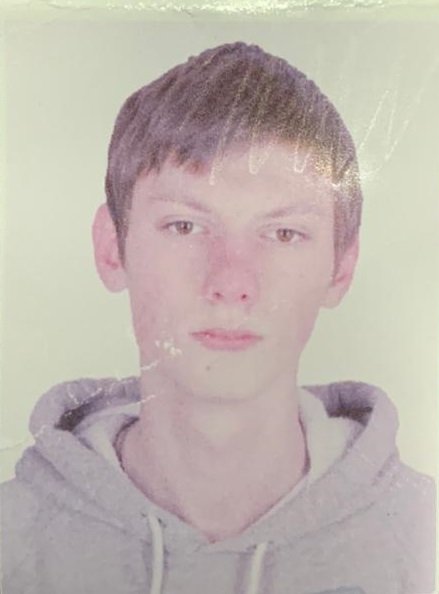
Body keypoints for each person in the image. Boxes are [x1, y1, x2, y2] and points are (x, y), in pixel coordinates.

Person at [1, 42, 435, 594]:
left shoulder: (427, 544)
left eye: (283, 233)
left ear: (340, 268)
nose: (231, 282)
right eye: (185, 226)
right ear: (112, 248)